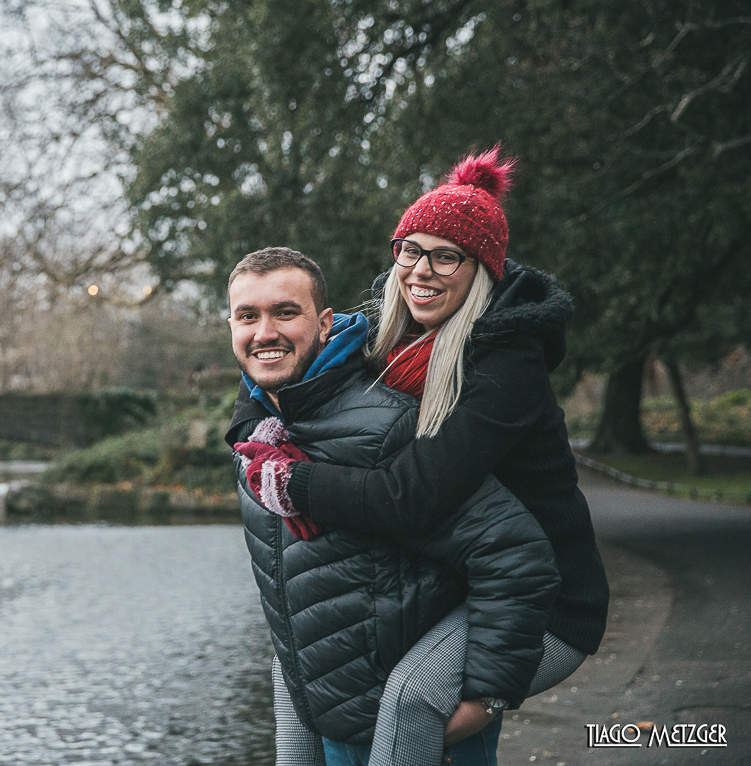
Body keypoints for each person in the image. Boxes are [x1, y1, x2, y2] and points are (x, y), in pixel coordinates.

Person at [235, 148, 610, 766]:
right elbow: (286, 373)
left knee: (409, 701)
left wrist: (293, 483)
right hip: (456, 579)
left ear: (481, 270)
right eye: (410, 250)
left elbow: (409, 496)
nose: (421, 270)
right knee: (303, 670)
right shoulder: (389, 336)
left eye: (446, 255)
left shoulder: (506, 365)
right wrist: (258, 431)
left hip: (540, 599)